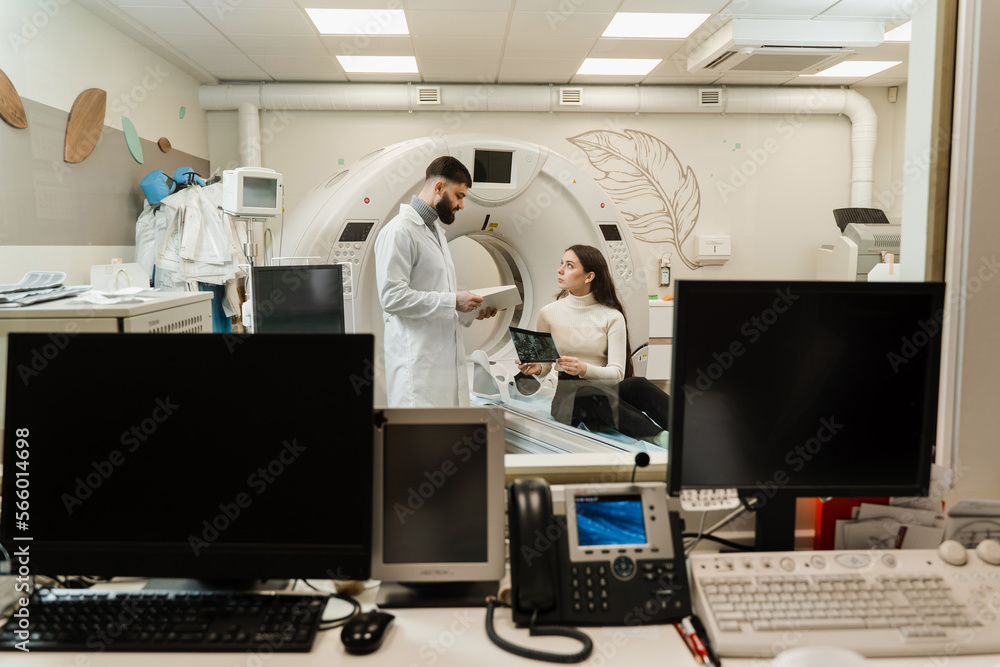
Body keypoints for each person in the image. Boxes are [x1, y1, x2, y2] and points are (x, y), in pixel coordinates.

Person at [517, 244, 670, 448]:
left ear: (589, 277)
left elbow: (617, 374)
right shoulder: (548, 313)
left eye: (569, 265)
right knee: (590, 392)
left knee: (638, 384)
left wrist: (584, 369)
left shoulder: (612, 316)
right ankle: (661, 438)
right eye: (561, 264)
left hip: (606, 392)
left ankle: (691, 428)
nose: (560, 270)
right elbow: (545, 365)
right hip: (568, 402)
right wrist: (537, 369)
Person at [374, 156, 496, 407]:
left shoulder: (435, 232)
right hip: (417, 366)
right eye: (459, 196)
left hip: (442, 365)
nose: (462, 205)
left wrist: (470, 311)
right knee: (418, 443)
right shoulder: (399, 231)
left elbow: (438, 296)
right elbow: (392, 297)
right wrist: (454, 301)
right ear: (439, 187)